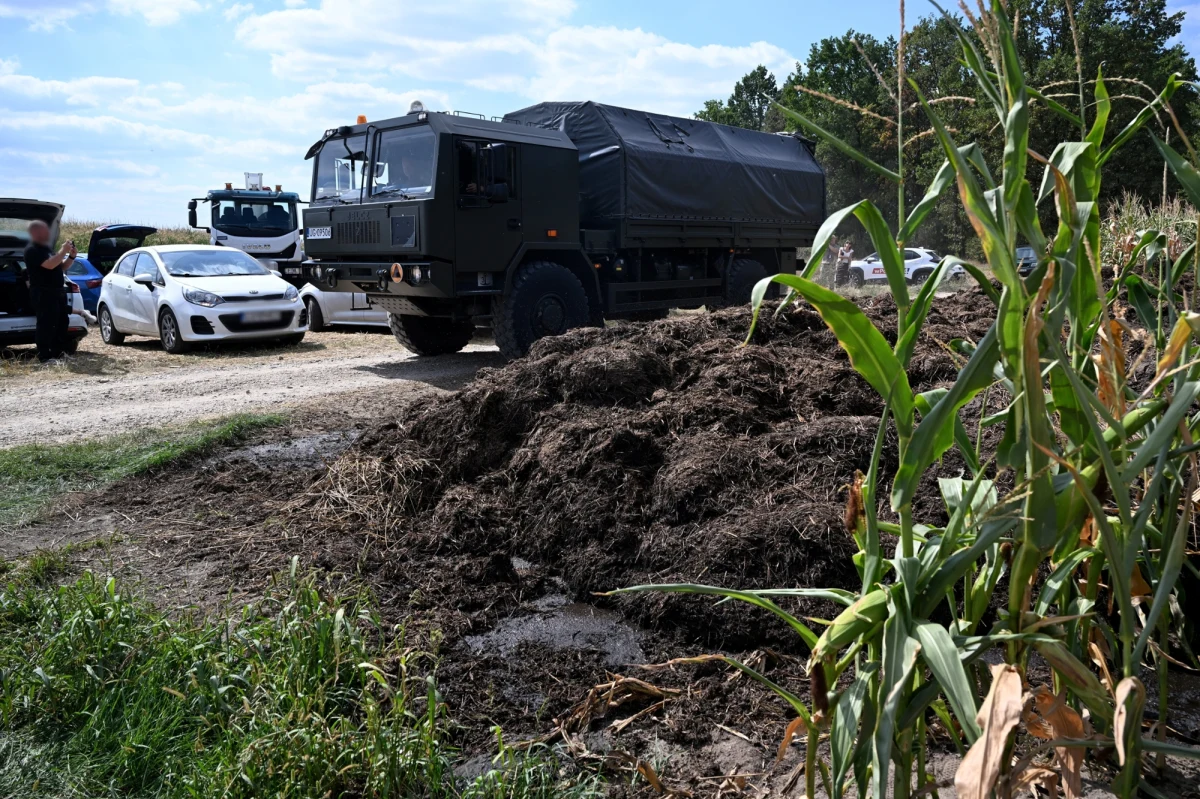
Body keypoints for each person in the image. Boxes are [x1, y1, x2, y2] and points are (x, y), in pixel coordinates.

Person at [23, 220, 75, 363]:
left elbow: (61, 267)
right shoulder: (32, 250)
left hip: (57, 291)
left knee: (61, 322)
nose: (48, 232)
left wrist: (71, 256)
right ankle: (45, 356)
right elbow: (50, 265)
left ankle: (58, 353)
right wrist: (63, 251)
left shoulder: (47, 249)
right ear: (35, 232)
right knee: (46, 324)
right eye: (45, 230)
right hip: (43, 292)